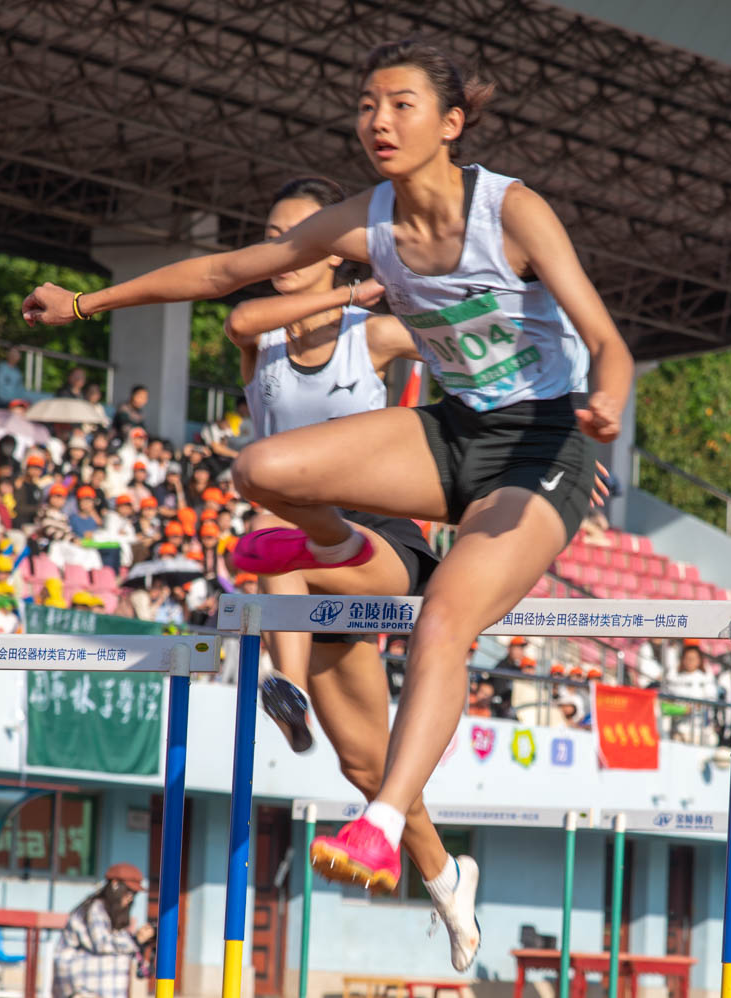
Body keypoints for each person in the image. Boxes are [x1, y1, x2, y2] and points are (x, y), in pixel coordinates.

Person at [22, 39, 631, 897]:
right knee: (262, 470)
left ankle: (383, 822)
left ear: (451, 123)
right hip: (450, 434)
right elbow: (227, 273)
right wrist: (85, 301)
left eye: (402, 105)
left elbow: (607, 341)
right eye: (366, 105)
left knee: (443, 621)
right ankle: (340, 549)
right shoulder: (366, 220)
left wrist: (603, 399)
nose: (378, 121)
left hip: (540, 446)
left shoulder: (513, 211)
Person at [221, 175, 478, 968]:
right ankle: (446, 878)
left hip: (378, 551)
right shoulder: (257, 336)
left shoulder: (377, 338)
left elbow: (475, 348)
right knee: (365, 762)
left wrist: (557, 435)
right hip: (303, 575)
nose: (281, 252)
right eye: (271, 237)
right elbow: (239, 312)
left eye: (298, 238)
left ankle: (284, 681)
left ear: (332, 251)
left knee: (276, 520)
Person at [52, 862, 155, 998]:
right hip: (75, 980)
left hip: (88, 980)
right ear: (115, 884)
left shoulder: (112, 913)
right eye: (128, 891)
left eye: (134, 894)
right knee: (118, 961)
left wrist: (141, 943)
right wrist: (135, 940)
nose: (130, 898)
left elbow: (121, 944)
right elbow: (102, 944)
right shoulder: (96, 908)